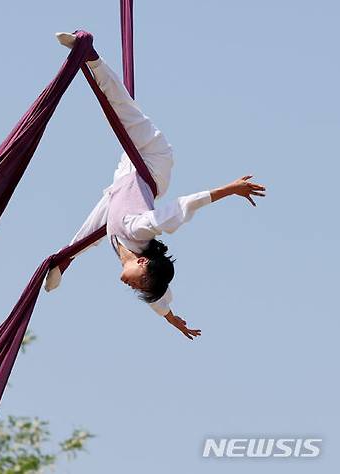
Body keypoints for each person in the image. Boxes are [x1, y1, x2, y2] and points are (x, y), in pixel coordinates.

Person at [54, 32, 267, 340]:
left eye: (139, 289)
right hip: (153, 160)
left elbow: (153, 293)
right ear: (143, 261)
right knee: (119, 108)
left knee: (89, 234)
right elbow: (183, 207)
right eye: (141, 282)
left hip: (126, 177)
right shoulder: (140, 230)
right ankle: (88, 50)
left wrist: (171, 318)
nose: (134, 287)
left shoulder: (121, 247)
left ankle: (64, 259)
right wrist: (229, 189)